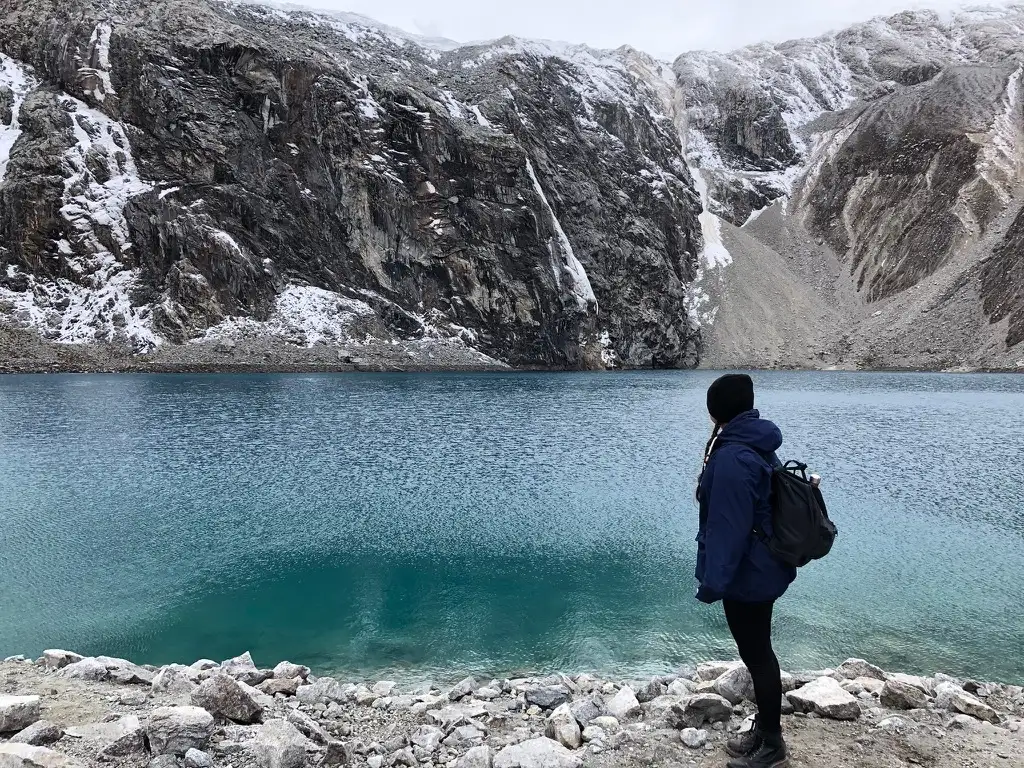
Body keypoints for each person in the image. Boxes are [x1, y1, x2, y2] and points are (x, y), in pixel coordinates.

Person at [695, 374, 796, 768]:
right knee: (759, 651)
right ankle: (766, 730)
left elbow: (728, 528)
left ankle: (772, 746)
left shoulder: (733, 456)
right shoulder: (752, 442)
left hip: (748, 575)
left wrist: (712, 584)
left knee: (758, 654)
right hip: (763, 566)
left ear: (717, 410)